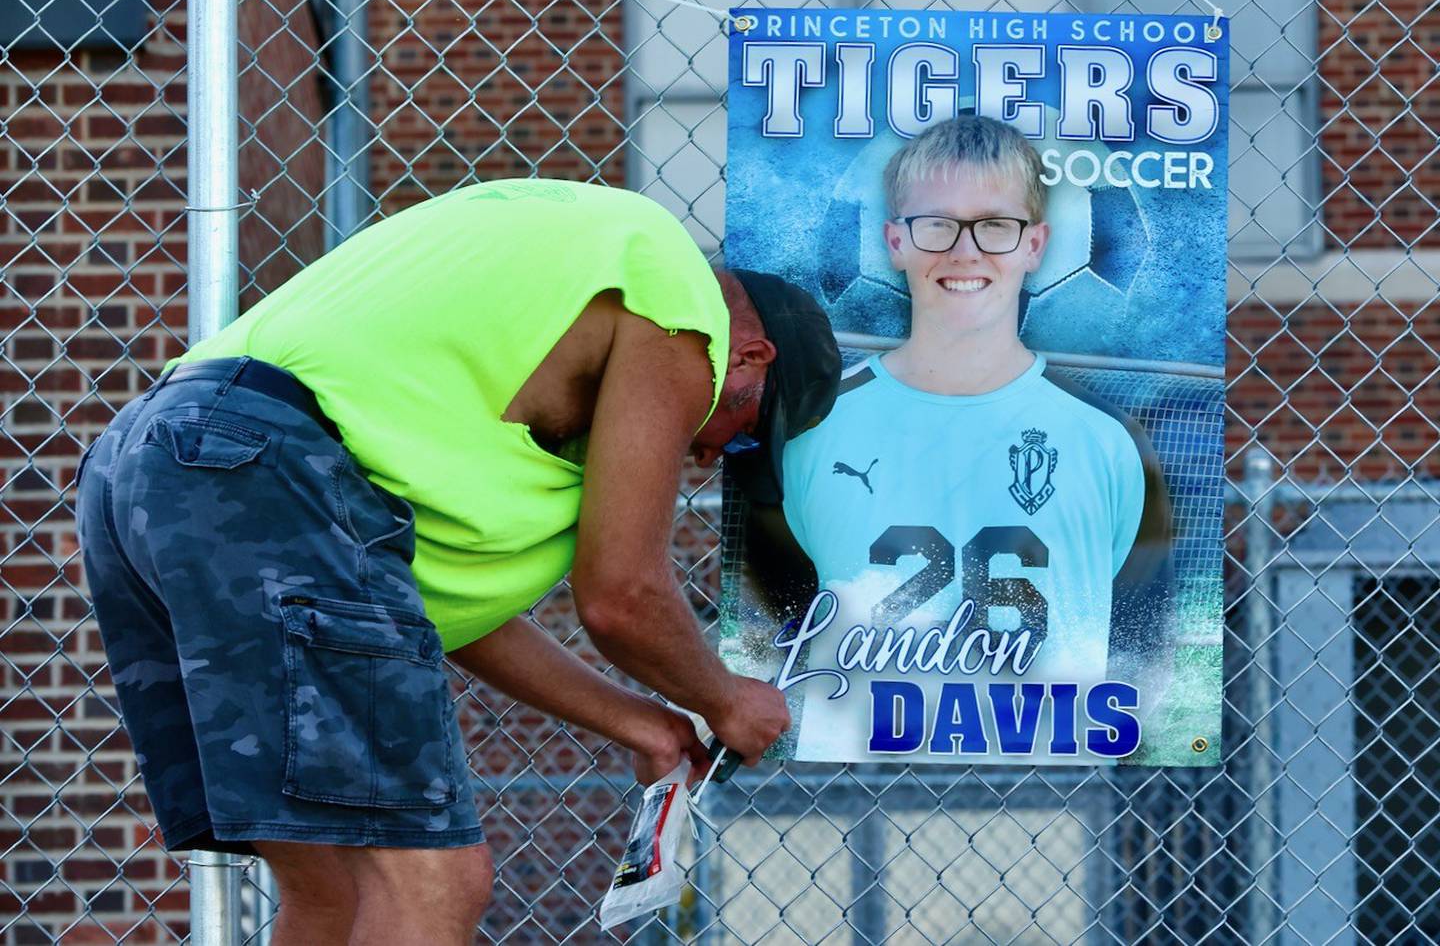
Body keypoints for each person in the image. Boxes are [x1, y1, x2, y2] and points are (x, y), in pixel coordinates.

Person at [74, 179, 840, 944]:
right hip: (267, 470)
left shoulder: (524, 333)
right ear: (750, 353)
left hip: (149, 470)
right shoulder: (680, 306)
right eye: (742, 432)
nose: (709, 456)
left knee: (334, 885)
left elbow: (424, 615)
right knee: (433, 878)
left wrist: (642, 721)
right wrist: (726, 697)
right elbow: (622, 593)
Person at [767, 115, 1174, 763]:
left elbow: (1144, 643)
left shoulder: (1106, 440)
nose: (965, 250)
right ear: (894, 240)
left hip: (1051, 786)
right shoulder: (811, 428)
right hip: (850, 789)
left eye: (994, 224)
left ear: (1035, 243)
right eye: (937, 224)